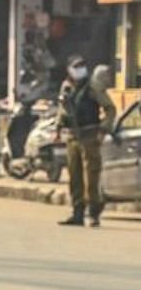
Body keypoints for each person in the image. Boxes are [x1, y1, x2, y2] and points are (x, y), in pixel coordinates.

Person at [56, 55, 117, 227]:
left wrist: (104, 129)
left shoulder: (93, 86)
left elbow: (110, 109)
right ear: (69, 69)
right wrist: (58, 128)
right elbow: (63, 109)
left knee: (91, 177)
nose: (79, 69)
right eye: (76, 66)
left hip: (90, 135)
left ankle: (94, 213)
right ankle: (77, 213)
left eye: (82, 66)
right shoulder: (66, 86)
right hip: (72, 136)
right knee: (74, 177)